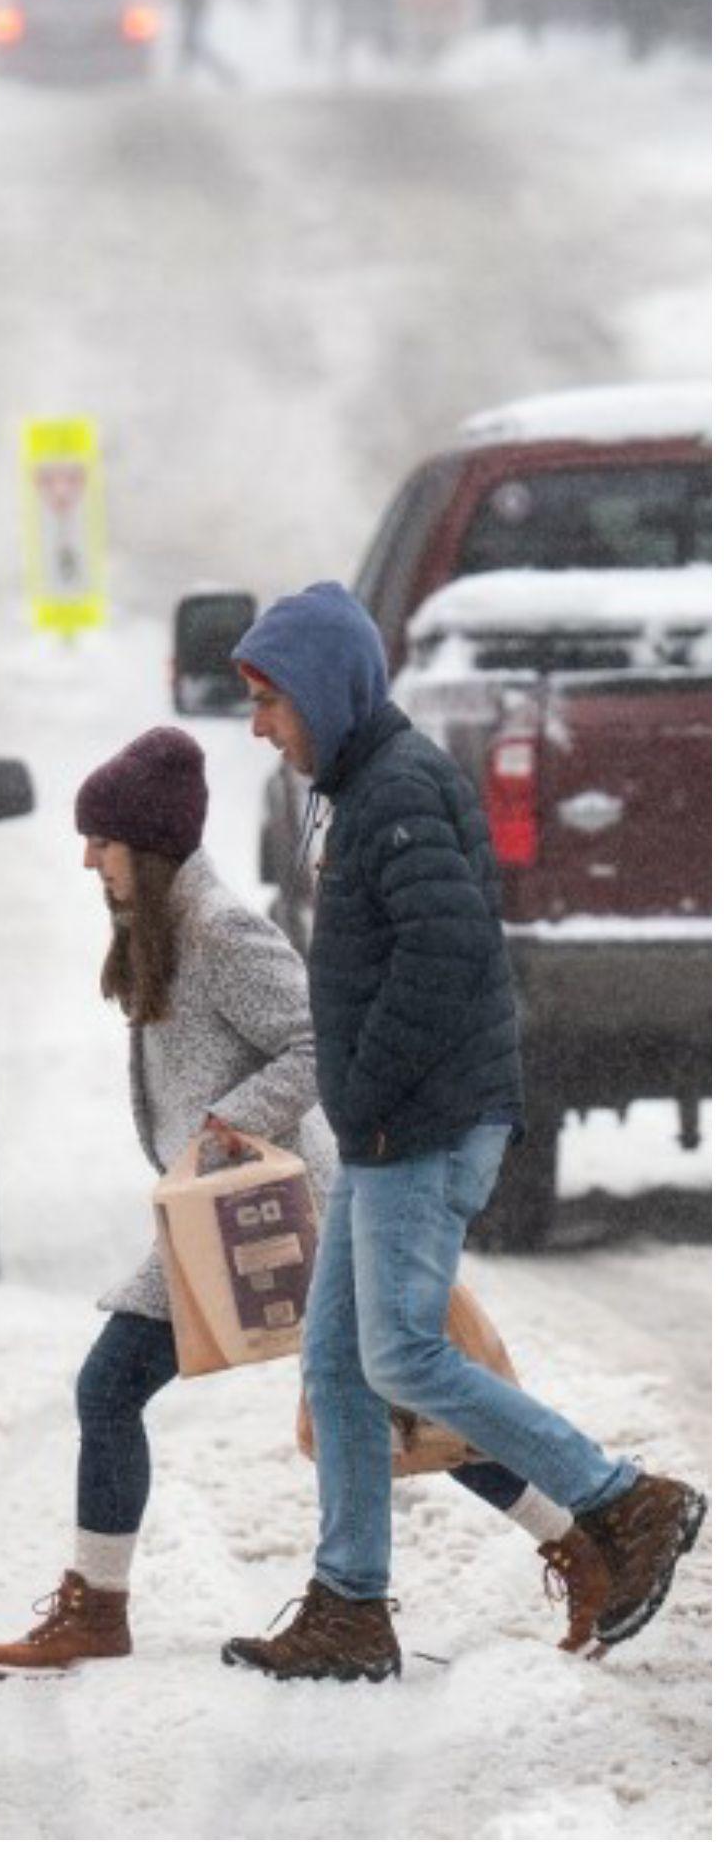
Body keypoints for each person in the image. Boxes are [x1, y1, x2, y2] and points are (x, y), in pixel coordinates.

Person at [0, 729, 592, 1679]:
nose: (88, 858)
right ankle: (576, 1542)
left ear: (149, 843)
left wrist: (226, 1121)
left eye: (101, 840)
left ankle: (98, 1609)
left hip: (270, 1210)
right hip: (218, 1207)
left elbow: (314, 1040)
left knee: (130, 1388)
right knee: (391, 1396)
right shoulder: (164, 927)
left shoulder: (220, 929)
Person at [220, 584, 704, 1679]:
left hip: (420, 1125)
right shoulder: (369, 785)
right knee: (339, 1362)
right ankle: (350, 1606)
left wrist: (372, 1096)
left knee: (400, 1352)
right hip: (399, 1121)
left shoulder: (395, 794)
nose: (259, 726)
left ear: (324, 694)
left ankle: (624, 1500)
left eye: (268, 702)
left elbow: (445, 962)